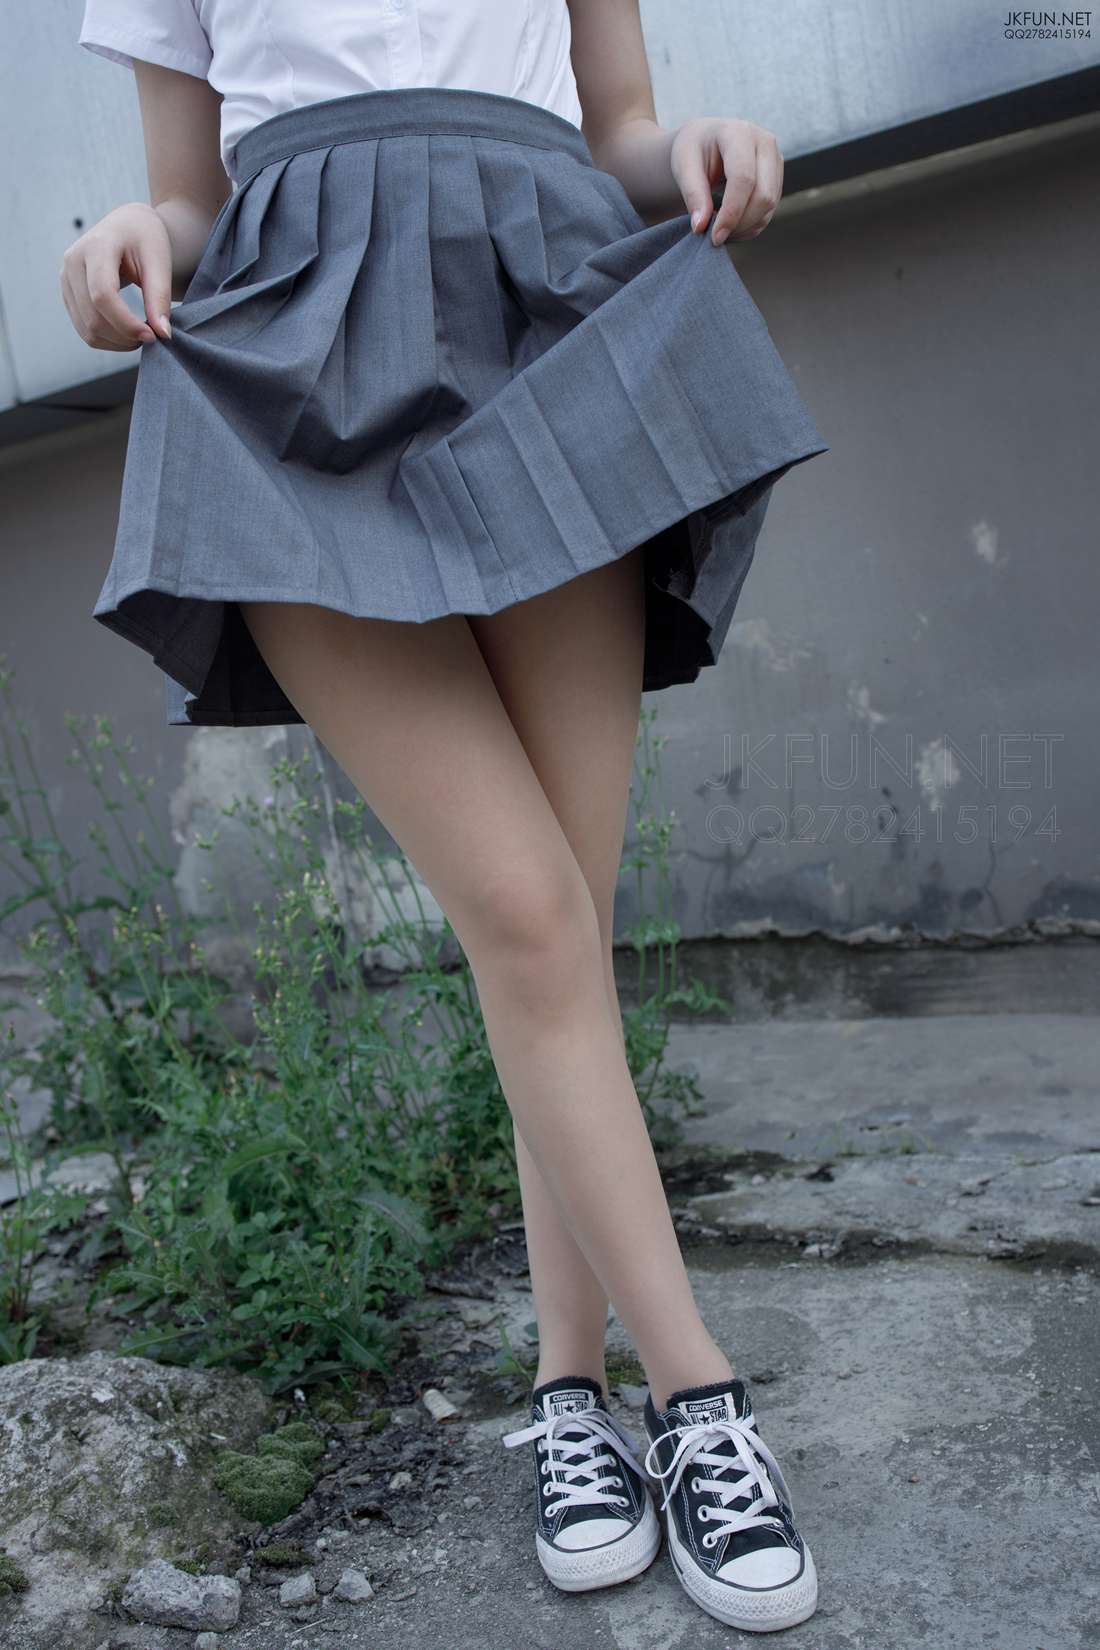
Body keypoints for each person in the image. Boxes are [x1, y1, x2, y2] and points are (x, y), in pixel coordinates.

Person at [66, 0, 826, 1633]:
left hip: (547, 314)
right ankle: (699, 1395)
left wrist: (692, 149)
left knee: (562, 938)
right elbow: (188, 195)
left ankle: (569, 1394)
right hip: (292, 368)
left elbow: (620, 124)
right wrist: (136, 235)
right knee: (527, 914)